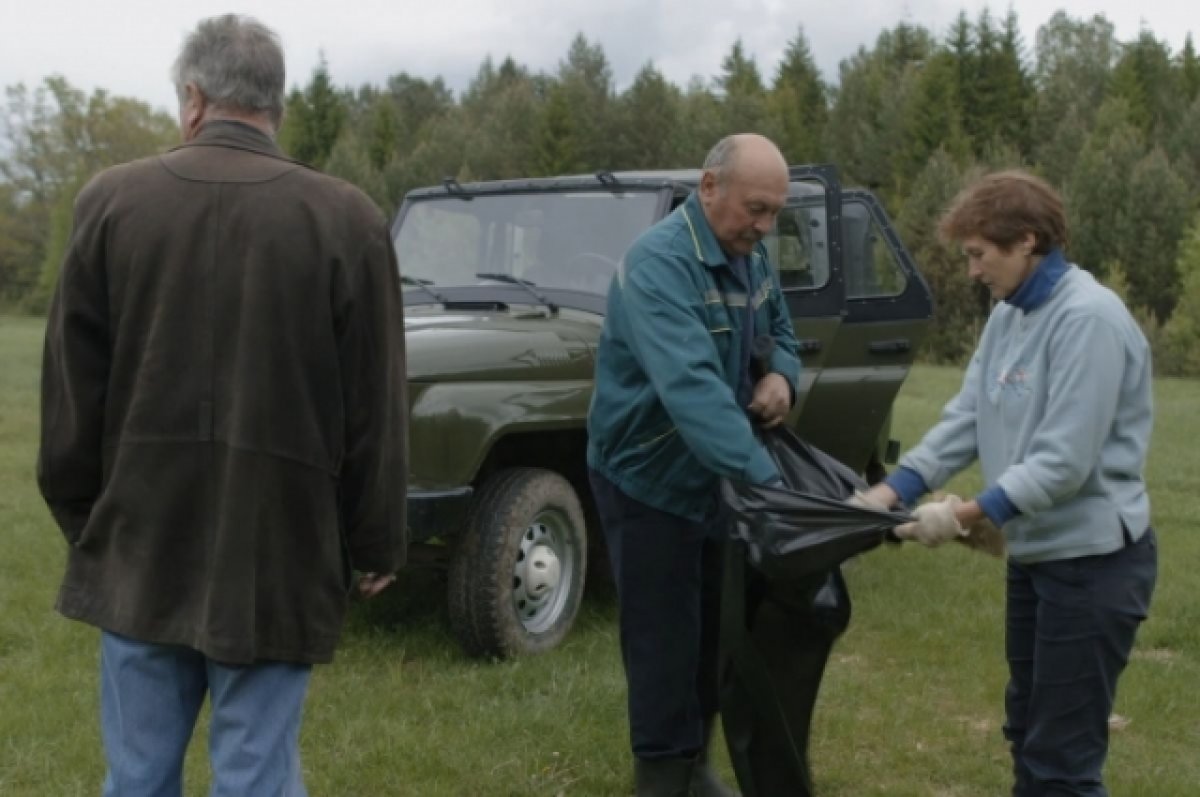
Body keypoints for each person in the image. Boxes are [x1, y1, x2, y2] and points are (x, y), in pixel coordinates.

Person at [36, 15, 407, 796]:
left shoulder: (109, 202)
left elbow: (71, 399)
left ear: (195, 97)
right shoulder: (348, 219)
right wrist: (374, 539)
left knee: (136, 777)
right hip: (276, 551)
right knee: (257, 779)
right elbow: (376, 408)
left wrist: (93, 525)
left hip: (139, 543)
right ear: (274, 104)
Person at [856, 170, 1157, 796]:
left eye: (978, 254)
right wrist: (890, 494)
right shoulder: (1008, 316)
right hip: (1038, 559)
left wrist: (961, 515)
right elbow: (966, 419)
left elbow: (1063, 462)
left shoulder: (1090, 319)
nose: (971, 271)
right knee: (1026, 730)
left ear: (1026, 241)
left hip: (1094, 564)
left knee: (1062, 758)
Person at [587, 133, 802, 797]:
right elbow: (695, 395)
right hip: (646, 478)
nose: (764, 227)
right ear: (709, 188)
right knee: (662, 641)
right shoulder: (659, 265)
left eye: (774, 214)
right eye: (755, 209)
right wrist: (776, 492)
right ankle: (660, 776)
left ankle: (696, 766)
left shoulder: (751, 259)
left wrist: (784, 380)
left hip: (718, 478)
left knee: (715, 627)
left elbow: (785, 335)